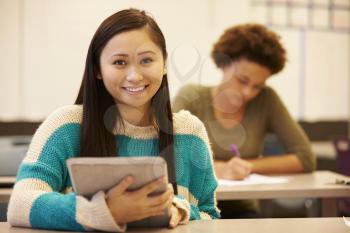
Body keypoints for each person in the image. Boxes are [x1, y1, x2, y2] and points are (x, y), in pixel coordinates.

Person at [7, 9, 220, 232]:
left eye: (146, 60)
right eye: (119, 62)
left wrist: (179, 210)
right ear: (98, 69)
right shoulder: (66, 125)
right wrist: (104, 210)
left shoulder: (190, 132)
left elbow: (209, 214)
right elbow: (20, 205)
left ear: (164, 63)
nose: (134, 76)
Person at [173, 23, 316, 218]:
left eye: (258, 86)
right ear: (223, 64)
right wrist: (218, 169)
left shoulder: (266, 99)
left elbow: (305, 158)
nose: (248, 92)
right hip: (192, 209)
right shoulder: (191, 96)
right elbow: (167, 152)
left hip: (243, 208)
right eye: (242, 80)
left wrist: (247, 166)